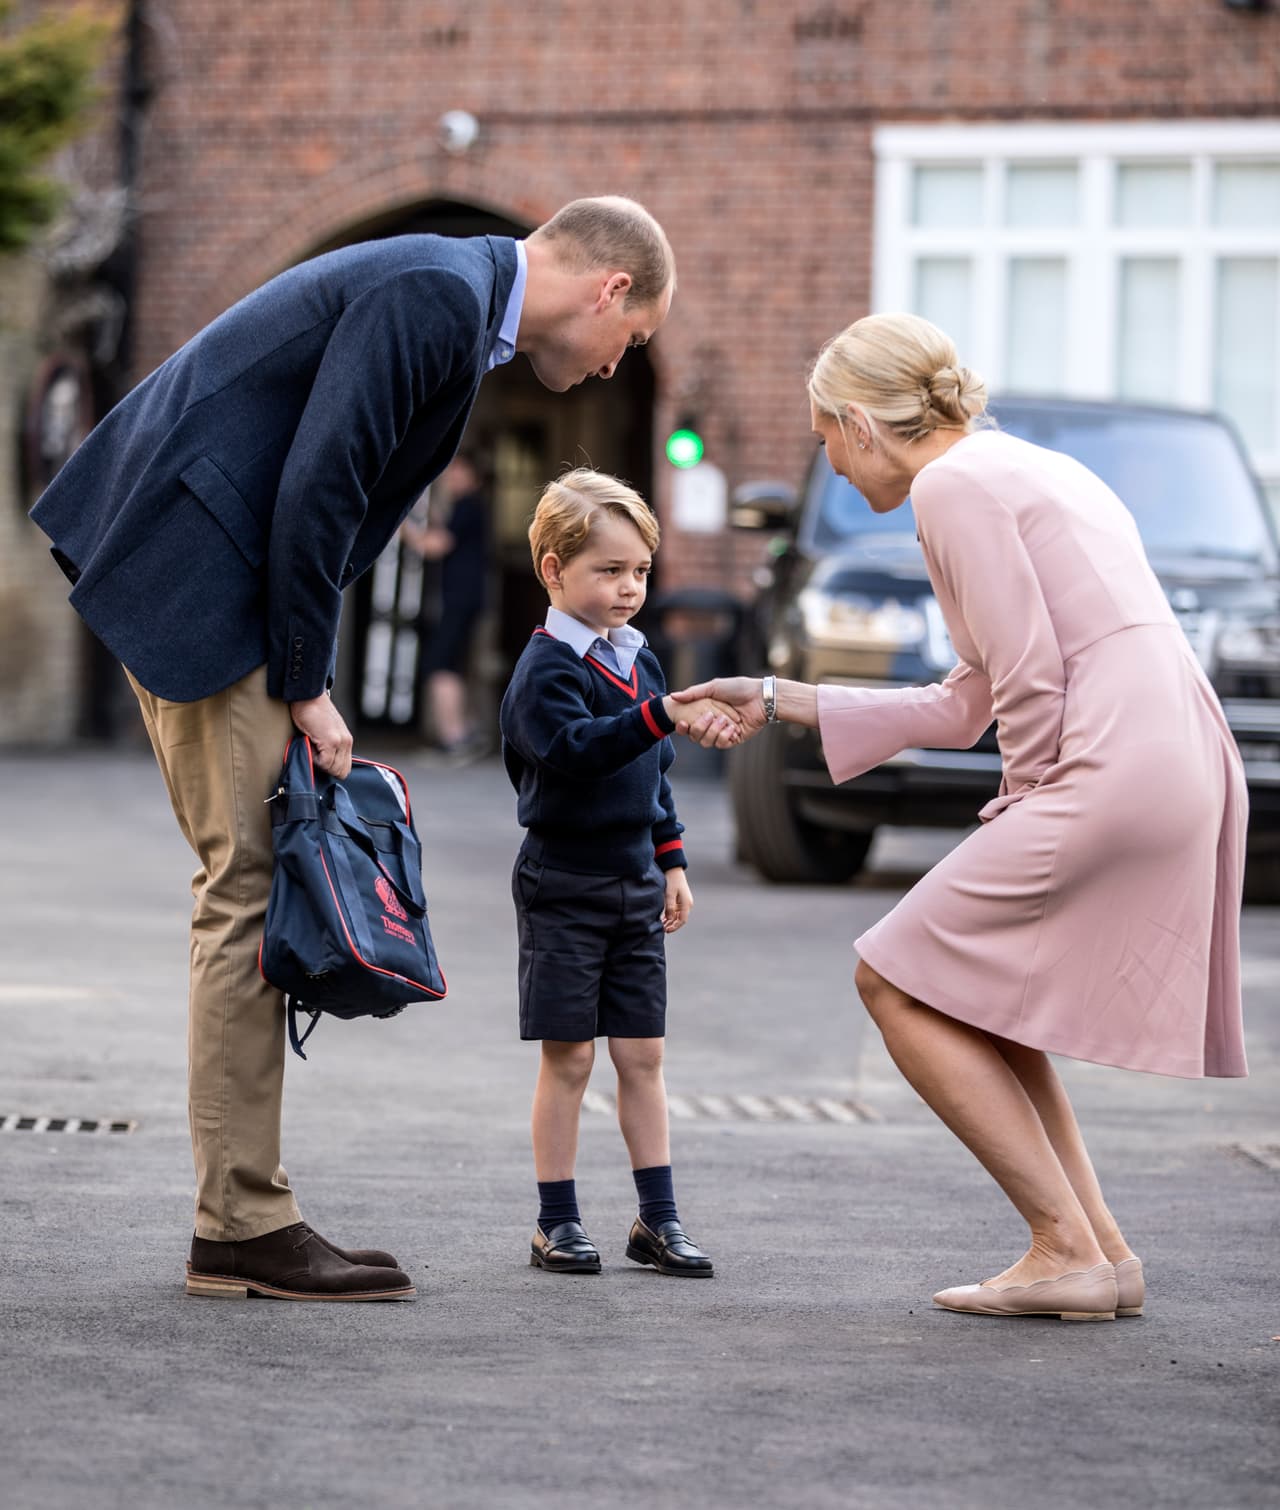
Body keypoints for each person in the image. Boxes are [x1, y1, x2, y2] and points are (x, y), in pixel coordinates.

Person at [29, 196, 676, 1303]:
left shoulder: (456, 300)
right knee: (244, 886)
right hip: (204, 577)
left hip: (209, 571)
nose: (622, 366)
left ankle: (240, 1215)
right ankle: (239, 1222)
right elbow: (319, 484)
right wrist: (306, 680)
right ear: (608, 289)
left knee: (243, 879)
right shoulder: (437, 293)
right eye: (636, 339)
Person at [676, 312, 1248, 1322]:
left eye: (822, 442)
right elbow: (960, 698)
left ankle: (1062, 1243)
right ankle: (1097, 1252)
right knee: (984, 998)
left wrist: (1021, 802)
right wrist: (770, 696)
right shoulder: (1021, 468)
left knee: (891, 976)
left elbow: (1024, 678)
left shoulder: (950, 486)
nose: (835, 471)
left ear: (859, 422)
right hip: (1172, 751)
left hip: (1105, 762)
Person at [500, 468, 735, 1278]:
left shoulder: (639, 662)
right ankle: (555, 1222)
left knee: (643, 1058)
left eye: (639, 570)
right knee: (570, 1059)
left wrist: (671, 862)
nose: (630, 588)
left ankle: (657, 1221)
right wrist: (657, 716)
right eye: (609, 570)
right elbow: (579, 753)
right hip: (562, 883)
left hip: (635, 883)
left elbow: (653, 775)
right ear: (554, 570)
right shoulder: (544, 673)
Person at [401, 450, 490, 759]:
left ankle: (454, 738)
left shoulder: (468, 505)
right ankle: (461, 733)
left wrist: (398, 525)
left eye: (457, 472)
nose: (451, 477)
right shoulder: (466, 508)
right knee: (450, 663)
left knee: (440, 663)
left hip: (459, 599)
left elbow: (434, 546)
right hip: (463, 599)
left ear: (472, 476)